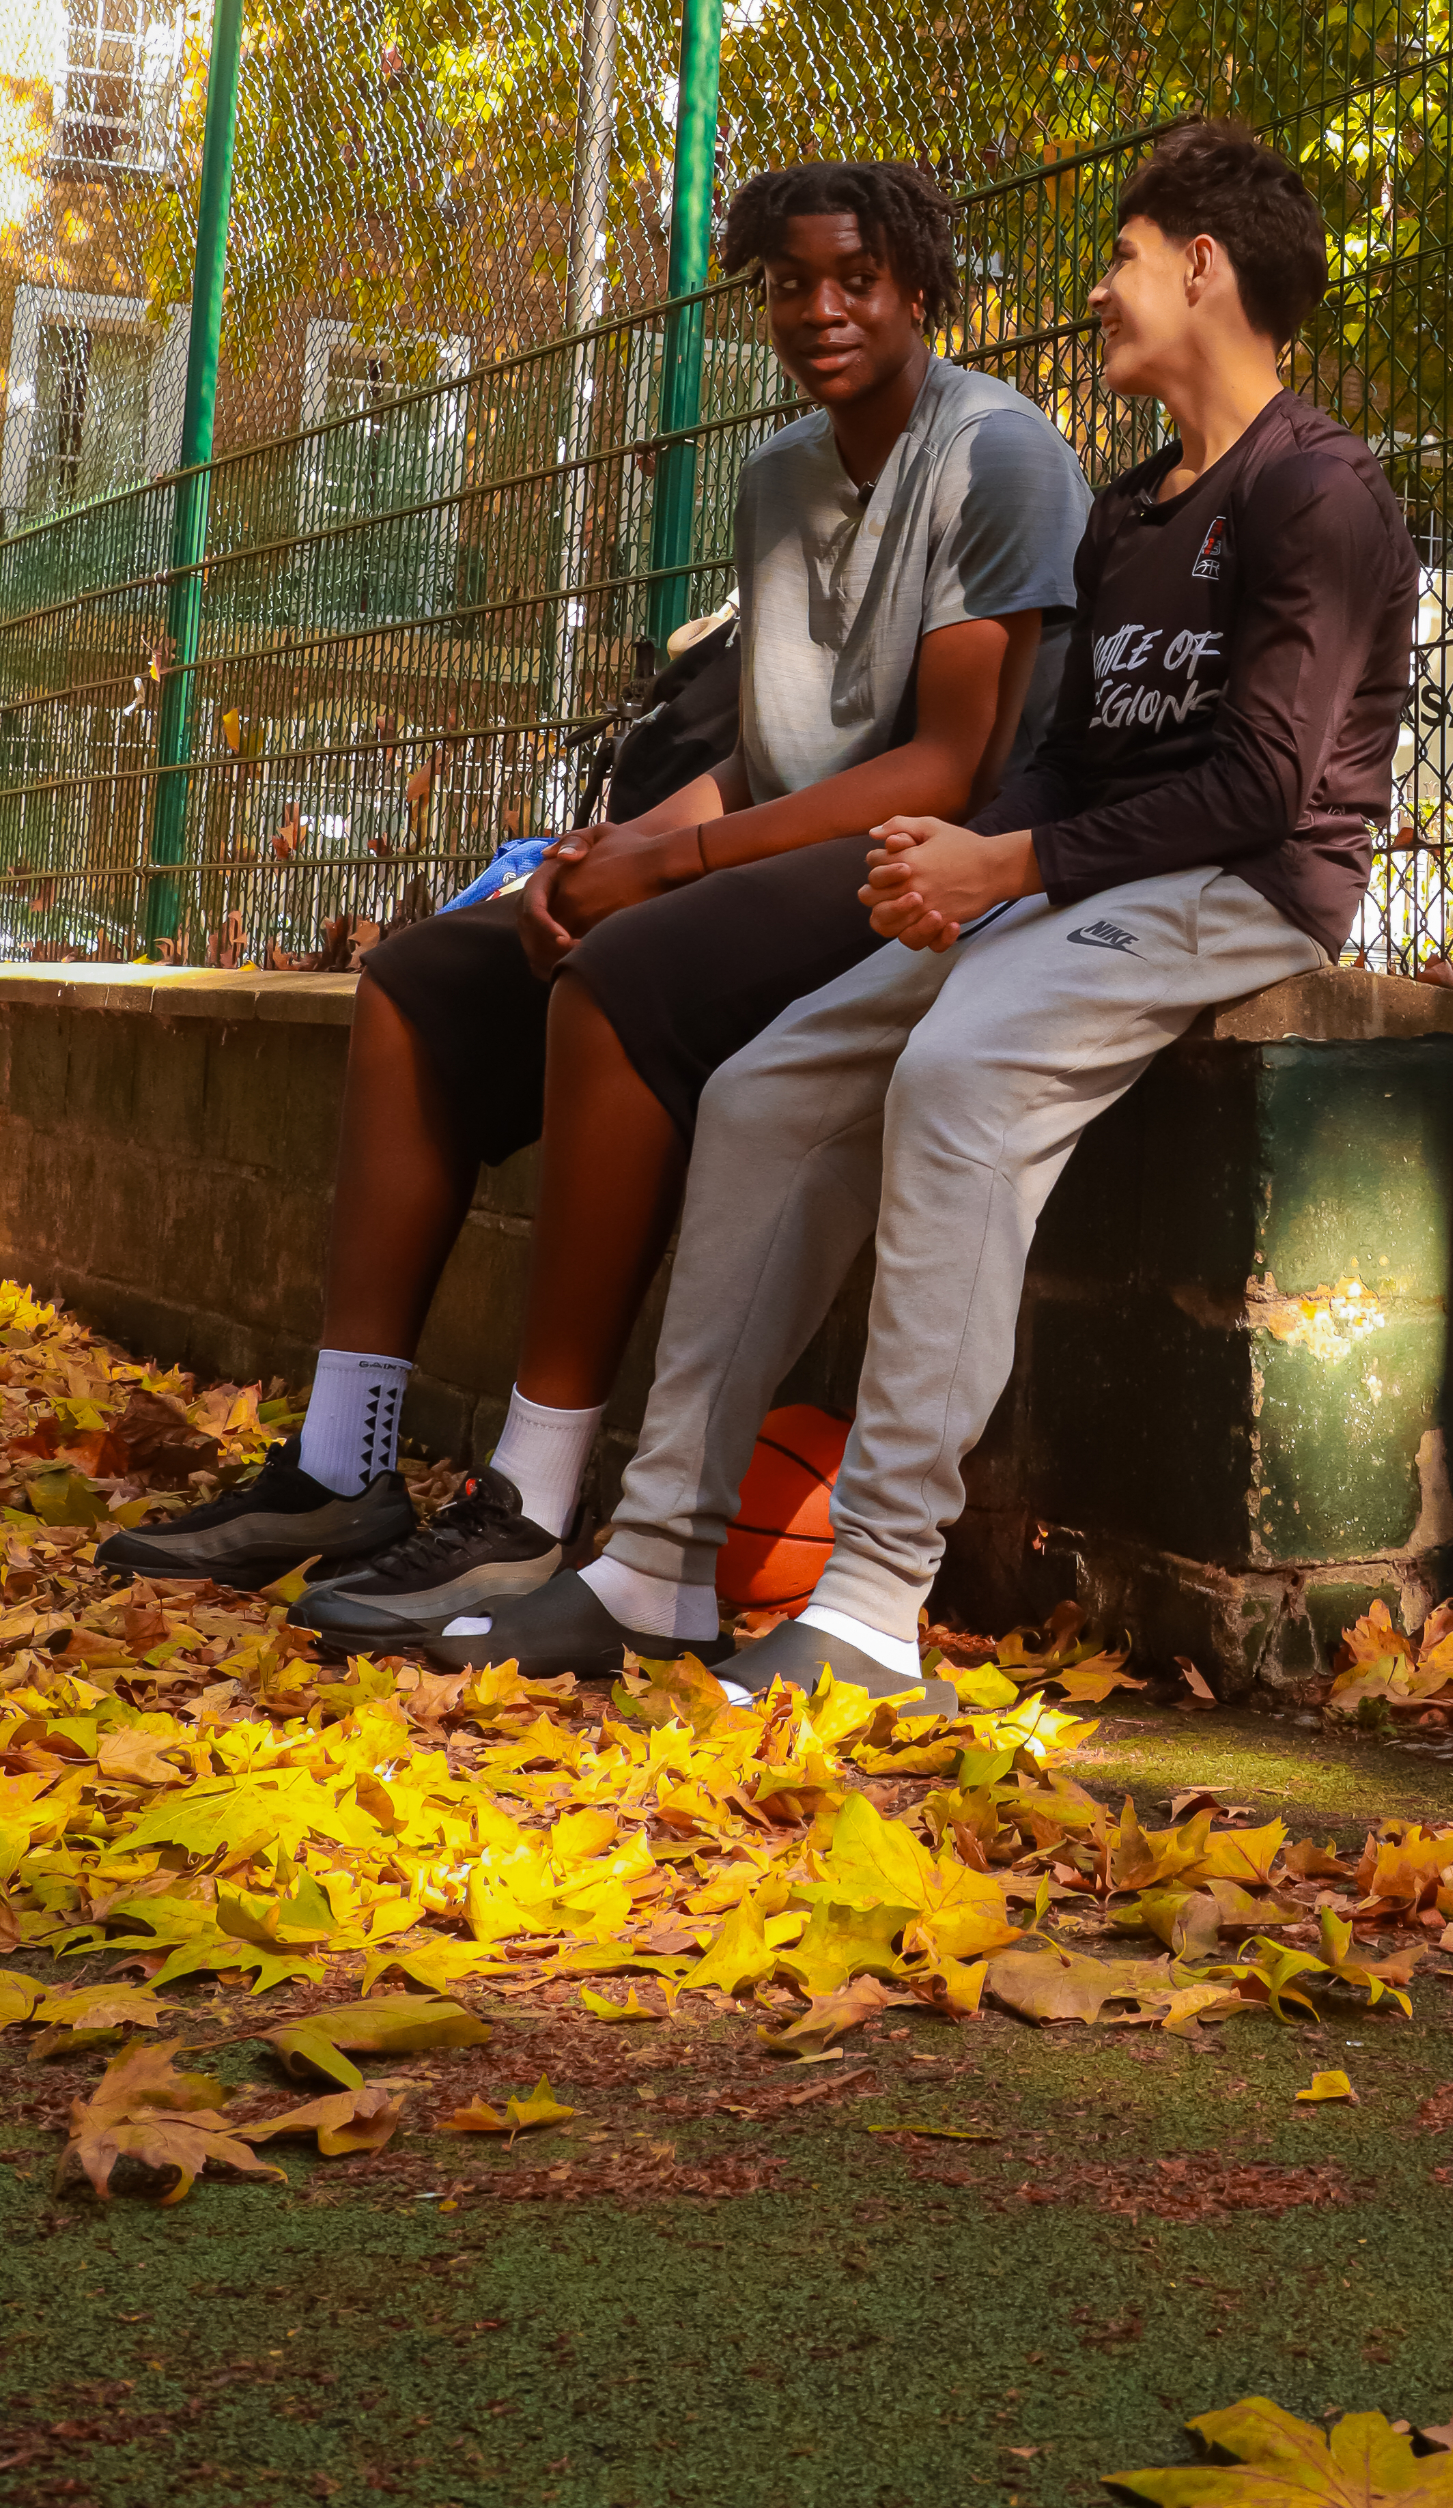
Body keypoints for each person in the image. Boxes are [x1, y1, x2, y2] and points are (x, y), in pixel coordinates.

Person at [425, 118, 1417, 1693]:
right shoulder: (1136, 506)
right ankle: (654, 1565)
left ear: (1204, 268)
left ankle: (874, 1603)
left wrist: (1006, 866)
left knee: (959, 1077)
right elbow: (1074, 766)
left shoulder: (1319, 491)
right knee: (766, 1086)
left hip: (1242, 891)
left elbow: (1265, 789)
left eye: (1125, 259)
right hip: (1097, 870)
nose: (1102, 292)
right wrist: (953, 862)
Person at [102, 162, 1089, 1639]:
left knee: (622, 983)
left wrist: (670, 866)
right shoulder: (776, 481)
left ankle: (529, 1506)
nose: (821, 309)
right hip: (791, 834)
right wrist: (609, 850)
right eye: (789, 284)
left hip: (931, 865)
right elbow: (766, 765)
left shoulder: (997, 454)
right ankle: (339, 1466)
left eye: (856, 280)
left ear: (919, 294)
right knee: (428, 980)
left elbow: (946, 764)